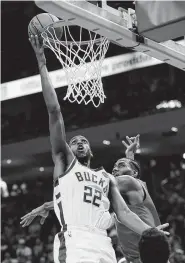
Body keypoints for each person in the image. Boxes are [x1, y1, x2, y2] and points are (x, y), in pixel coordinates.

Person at [22, 35, 161, 263]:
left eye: (83, 141)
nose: (79, 143)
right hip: (75, 241)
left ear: (91, 151)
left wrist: (150, 232)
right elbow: (54, 111)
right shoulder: (66, 163)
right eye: (74, 141)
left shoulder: (106, 179)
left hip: (104, 244)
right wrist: (41, 62)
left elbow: (124, 214)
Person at [111, 135, 170, 263]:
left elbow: (103, 182)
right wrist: (129, 157)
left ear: (134, 174)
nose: (115, 169)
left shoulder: (128, 181)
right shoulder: (135, 186)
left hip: (146, 258)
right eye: (114, 167)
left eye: (120, 165)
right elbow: (130, 173)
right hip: (144, 256)